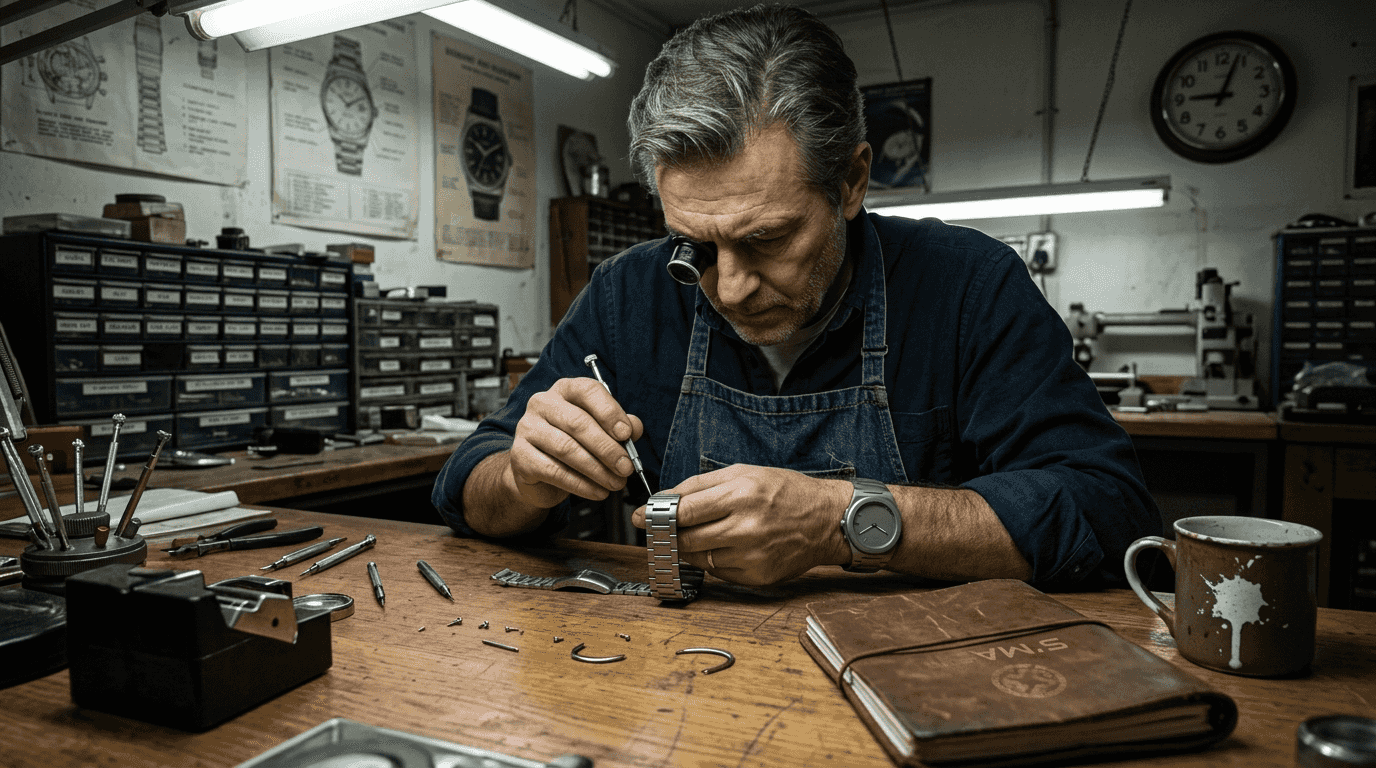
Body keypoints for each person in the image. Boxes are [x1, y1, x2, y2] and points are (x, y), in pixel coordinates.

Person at [433, 4, 1161, 589]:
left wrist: (844, 522)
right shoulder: (629, 292)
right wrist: (527, 477)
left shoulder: (968, 285)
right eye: (698, 247)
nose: (732, 287)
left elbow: (1106, 512)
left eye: (769, 240)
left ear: (850, 181)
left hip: (920, 679)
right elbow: (470, 482)